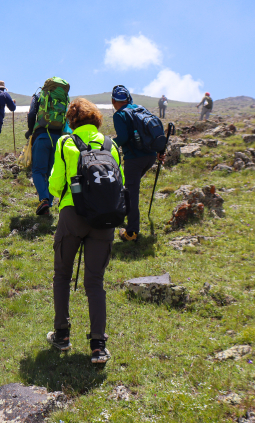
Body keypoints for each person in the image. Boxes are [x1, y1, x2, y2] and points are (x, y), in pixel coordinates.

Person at [47, 98, 123, 364]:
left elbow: (55, 184)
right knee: (95, 282)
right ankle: (98, 346)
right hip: (105, 219)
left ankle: (62, 335)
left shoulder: (66, 143)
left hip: (73, 214)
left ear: (72, 120)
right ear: (96, 119)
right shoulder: (111, 146)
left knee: (62, 275)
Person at [111, 85, 165, 242]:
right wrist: (160, 151)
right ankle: (123, 214)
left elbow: (122, 138)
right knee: (129, 188)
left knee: (131, 192)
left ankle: (132, 232)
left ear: (114, 101)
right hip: (151, 156)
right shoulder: (140, 108)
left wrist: (106, 145)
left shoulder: (119, 115)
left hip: (134, 159)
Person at [25, 77, 71, 216]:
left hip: (42, 136)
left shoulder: (40, 96)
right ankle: (48, 205)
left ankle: (43, 199)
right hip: (58, 138)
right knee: (51, 173)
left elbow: (32, 114)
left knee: (38, 171)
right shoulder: (64, 99)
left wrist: (30, 130)